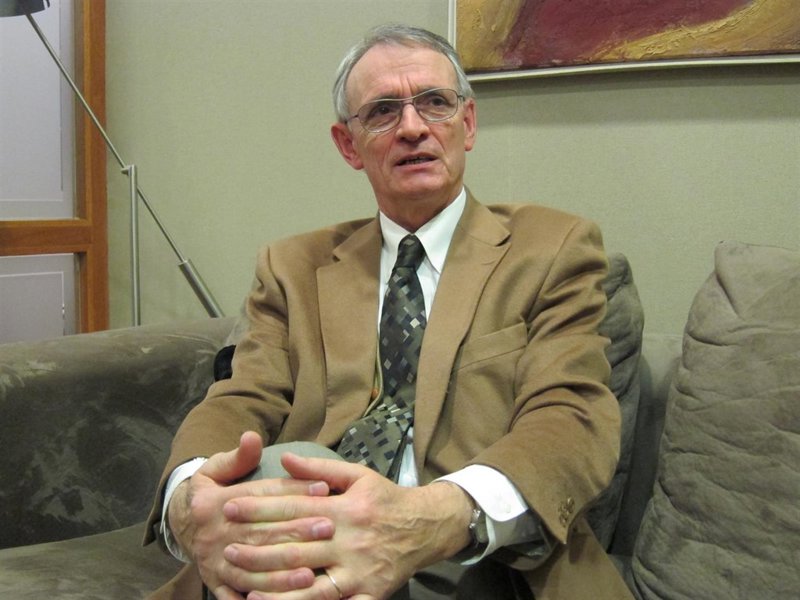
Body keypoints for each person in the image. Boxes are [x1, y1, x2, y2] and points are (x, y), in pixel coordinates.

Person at [144, 24, 632, 600]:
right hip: (307, 543)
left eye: (435, 103)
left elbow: (570, 418)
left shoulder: (552, 248)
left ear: (468, 123)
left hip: (475, 561)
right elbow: (241, 399)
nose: (412, 127)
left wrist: (428, 519)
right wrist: (189, 498)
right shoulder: (292, 267)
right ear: (348, 145)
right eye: (382, 111)